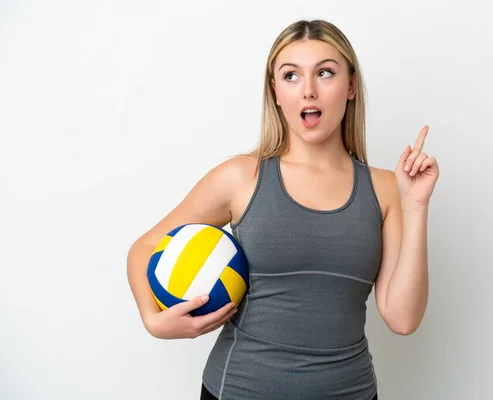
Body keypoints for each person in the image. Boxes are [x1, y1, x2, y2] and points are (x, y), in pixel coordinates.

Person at [127, 19, 439, 400]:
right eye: (291, 76)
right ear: (275, 91)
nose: (308, 91)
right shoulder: (242, 177)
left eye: (325, 73)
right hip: (238, 391)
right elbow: (144, 248)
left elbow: (403, 318)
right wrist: (153, 321)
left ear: (351, 86)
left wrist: (416, 205)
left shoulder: (388, 189)